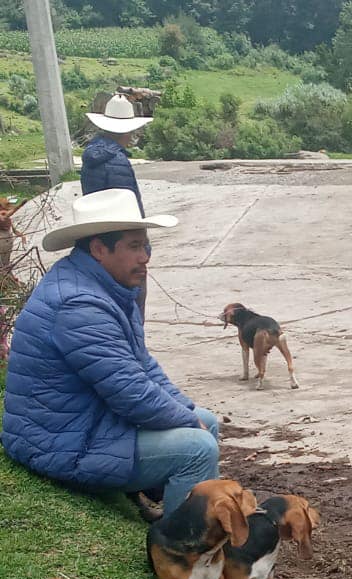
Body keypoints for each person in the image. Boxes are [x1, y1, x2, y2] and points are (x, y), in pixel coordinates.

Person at [1, 189, 220, 521]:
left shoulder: (104, 285)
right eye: (134, 247)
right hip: (59, 443)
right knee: (198, 448)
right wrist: (190, 423)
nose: (145, 256)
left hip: (82, 422)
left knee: (208, 422)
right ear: (99, 249)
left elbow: (142, 365)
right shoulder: (80, 306)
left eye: (145, 245)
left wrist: (187, 411)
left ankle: (167, 505)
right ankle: (183, 554)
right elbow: (130, 393)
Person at [81, 93, 153, 317]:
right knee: (132, 305)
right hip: (120, 241)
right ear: (128, 130)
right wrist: (142, 246)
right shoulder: (117, 161)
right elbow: (129, 208)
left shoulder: (90, 157)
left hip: (96, 236)